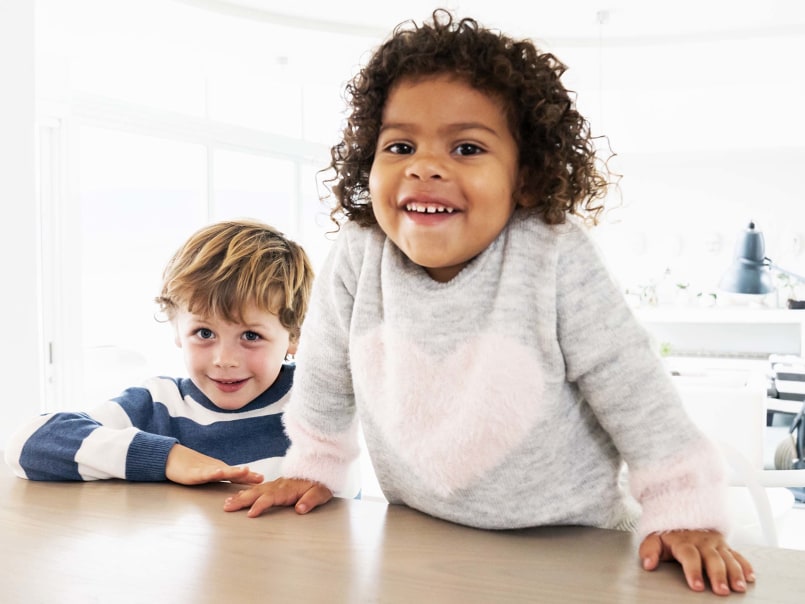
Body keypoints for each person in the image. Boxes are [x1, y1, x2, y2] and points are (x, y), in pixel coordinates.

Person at [222, 9, 754, 595]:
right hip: (423, 542)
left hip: (573, 549)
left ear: (524, 177)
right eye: (400, 145)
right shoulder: (358, 253)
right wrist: (313, 467)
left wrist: (684, 507)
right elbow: (325, 377)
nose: (425, 166)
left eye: (467, 148)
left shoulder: (551, 255)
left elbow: (633, 387)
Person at [5, 219, 313, 486]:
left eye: (250, 335)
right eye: (204, 333)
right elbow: (28, 444)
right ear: (177, 330)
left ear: (294, 336)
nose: (224, 359)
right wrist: (169, 458)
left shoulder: (315, 399)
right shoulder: (159, 404)